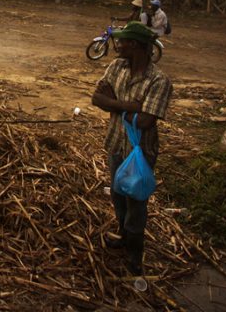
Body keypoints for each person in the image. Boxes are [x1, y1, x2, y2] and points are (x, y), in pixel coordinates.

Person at [90, 21, 172, 277]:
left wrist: (112, 101)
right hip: (116, 143)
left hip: (140, 151)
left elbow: (147, 121)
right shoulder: (117, 66)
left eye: (122, 41)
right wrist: (133, 105)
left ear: (134, 45)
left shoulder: (159, 80)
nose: (118, 45)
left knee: (136, 202)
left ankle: (135, 255)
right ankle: (125, 239)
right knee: (118, 196)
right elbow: (96, 98)